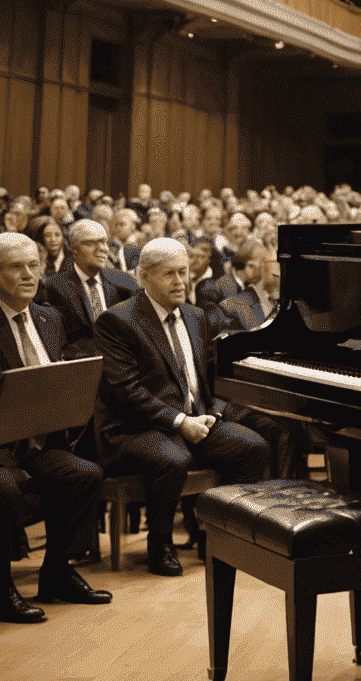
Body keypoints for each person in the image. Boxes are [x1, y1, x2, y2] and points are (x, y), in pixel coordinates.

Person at [92, 238, 270, 576]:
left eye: (183, 273)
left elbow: (212, 378)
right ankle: (160, 544)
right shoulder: (117, 321)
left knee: (253, 448)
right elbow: (125, 392)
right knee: (174, 458)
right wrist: (179, 421)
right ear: (143, 277)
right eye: (168, 275)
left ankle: (220, 536)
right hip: (134, 428)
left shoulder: (195, 315)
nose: (179, 282)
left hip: (192, 420)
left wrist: (212, 413)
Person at [0, 232, 111, 621]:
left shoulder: (49, 318)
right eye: (16, 267)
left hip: (35, 443)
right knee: (4, 486)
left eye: (34, 266)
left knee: (85, 474)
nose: (28, 275)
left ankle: (57, 571)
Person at [41, 218, 138, 358]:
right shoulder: (54, 287)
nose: (102, 249)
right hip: (85, 367)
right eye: (91, 243)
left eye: (104, 242)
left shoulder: (124, 281)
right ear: (73, 247)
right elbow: (61, 345)